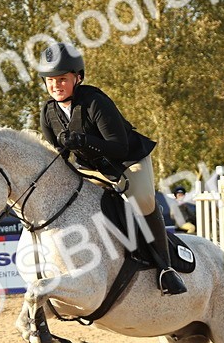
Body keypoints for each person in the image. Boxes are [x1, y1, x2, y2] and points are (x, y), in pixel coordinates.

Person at [37, 42, 185, 295]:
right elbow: (58, 156)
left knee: (142, 200)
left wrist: (84, 141)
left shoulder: (95, 102)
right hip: (92, 169)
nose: (56, 85)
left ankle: (166, 268)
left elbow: (119, 147)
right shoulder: (48, 111)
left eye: (62, 79)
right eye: (50, 80)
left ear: (77, 78)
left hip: (128, 161)